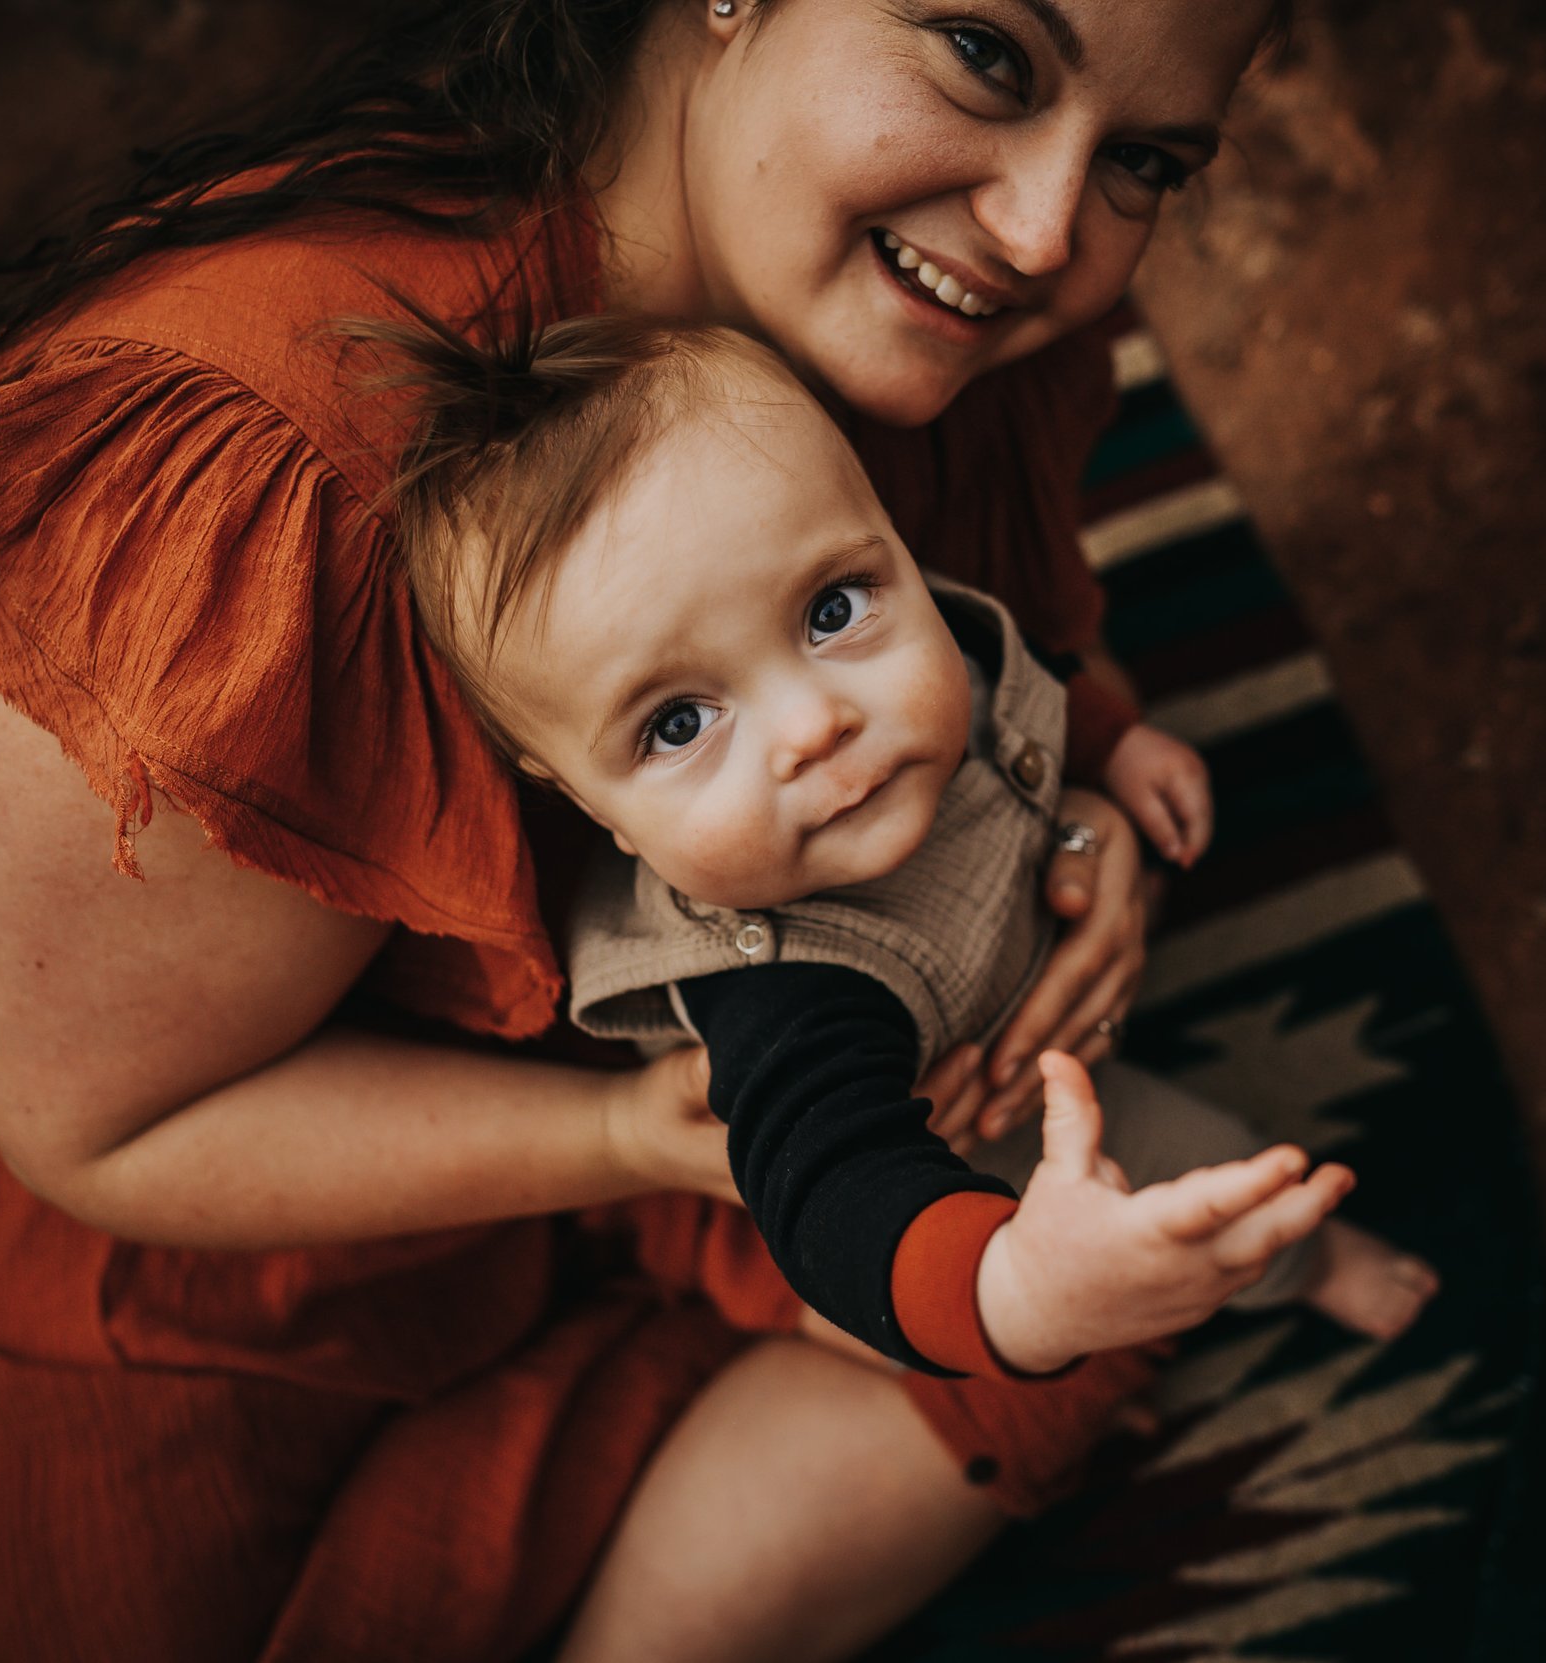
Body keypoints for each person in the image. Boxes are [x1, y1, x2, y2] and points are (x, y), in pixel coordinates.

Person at [0, 2, 1292, 1658]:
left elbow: (1022, 633)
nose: (1047, 229)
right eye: (988, 57)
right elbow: (103, 1131)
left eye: (1144, 162)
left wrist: (1072, 810)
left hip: (744, 1100)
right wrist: (632, 1137)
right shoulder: (263, 488)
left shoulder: (951, 295)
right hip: (271, 1266)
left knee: (1057, 1315)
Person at [369, 311, 1441, 1367]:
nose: (813, 722)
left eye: (830, 609)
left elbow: (1000, 666)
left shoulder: (925, 638)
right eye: (678, 723)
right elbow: (832, 1189)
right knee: (1217, 1187)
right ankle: (1310, 1265)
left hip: (1030, 924)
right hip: (1006, 1110)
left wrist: (1108, 748)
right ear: (592, 807)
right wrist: (1011, 1288)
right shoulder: (783, 990)